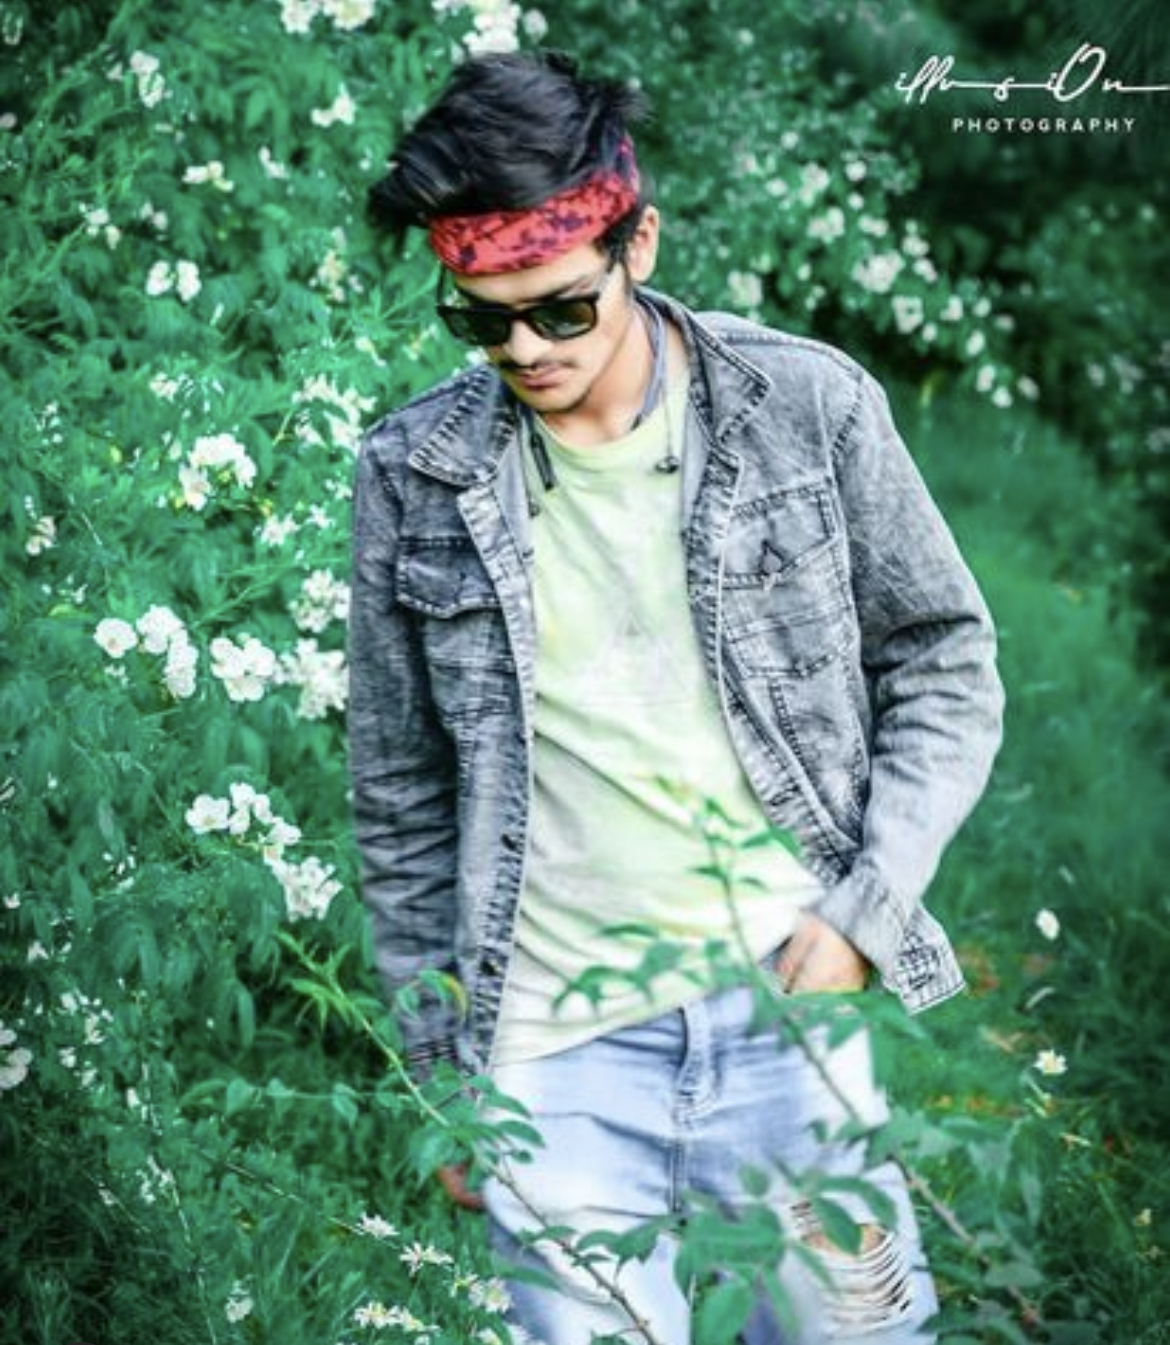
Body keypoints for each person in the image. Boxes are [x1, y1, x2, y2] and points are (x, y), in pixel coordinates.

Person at [350, 49, 1004, 1345]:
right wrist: (441, 1075)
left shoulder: (806, 405)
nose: (522, 349)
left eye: (559, 310)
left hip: (787, 1010)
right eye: (479, 320)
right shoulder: (409, 472)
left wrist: (868, 909)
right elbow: (400, 796)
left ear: (636, 243)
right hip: (544, 1051)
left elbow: (943, 657)